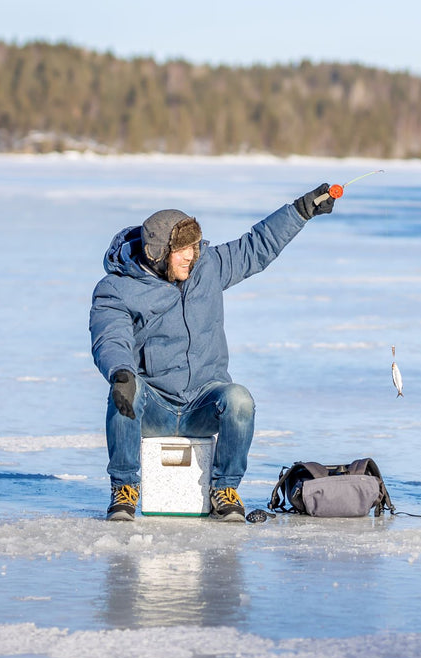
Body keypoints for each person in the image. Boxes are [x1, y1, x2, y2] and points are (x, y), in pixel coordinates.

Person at [89, 185, 336, 522]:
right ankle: (124, 490)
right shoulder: (116, 289)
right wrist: (120, 372)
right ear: (157, 254)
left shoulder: (209, 267)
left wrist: (300, 210)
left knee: (239, 400)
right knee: (125, 390)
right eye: (182, 250)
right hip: (155, 406)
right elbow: (110, 336)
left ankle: (225, 488)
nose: (192, 256)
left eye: (193, 247)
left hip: (202, 402)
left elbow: (257, 246)